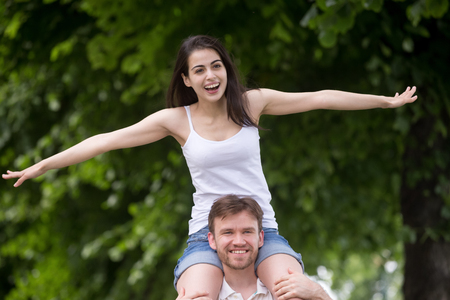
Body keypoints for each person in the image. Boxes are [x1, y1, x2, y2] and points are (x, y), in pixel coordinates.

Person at [2, 35, 417, 299]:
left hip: (262, 229)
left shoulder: (252, 104)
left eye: (216, 65)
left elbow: (321, 96)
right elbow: (105, 141)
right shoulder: (176, 121)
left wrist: (384, 101)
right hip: (206, 233)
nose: (210, 75)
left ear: (226, 69)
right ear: (186, 79)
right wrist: (43, 165)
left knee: (293, 291)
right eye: (199, 70)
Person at [176, 194, 332, 300]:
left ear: (261, 238)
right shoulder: (200, 292)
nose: (239, 241)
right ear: (212, 240)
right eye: (228, 232)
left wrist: (318, 293)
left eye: (247, 231)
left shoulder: (289, 288)